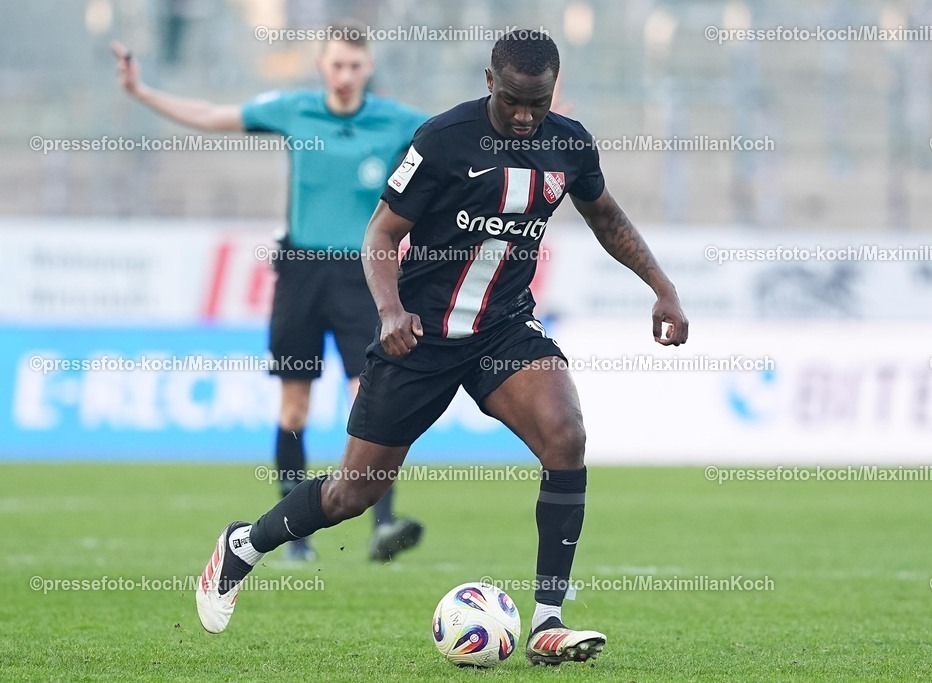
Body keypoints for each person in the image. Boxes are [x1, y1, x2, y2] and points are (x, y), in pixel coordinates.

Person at [196, 29, 688, 666]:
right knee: (353, 494)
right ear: (490, 81)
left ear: (553, 92)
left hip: (503, 330)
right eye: (512, 99)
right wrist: (390, 310)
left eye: (536, 104)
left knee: (565, 436)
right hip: (420, 336)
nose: (522, 115)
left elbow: (606, 217)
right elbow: (379, 235)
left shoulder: (570, 144)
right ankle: (242, 545)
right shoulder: (443, 140)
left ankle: (547, 621)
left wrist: (662, 287)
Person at [111, 20, 426, 563]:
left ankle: (384, 521)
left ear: (368, 67)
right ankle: (294, 534)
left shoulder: (397, 121)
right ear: (322, 66)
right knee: (294, 407)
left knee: (369, 400)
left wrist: (539, 114)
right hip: (301, 274)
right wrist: (141, 91)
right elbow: (213, 116)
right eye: (337, 64)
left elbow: (459, 137)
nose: (346, 74)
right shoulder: (294, 110)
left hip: (363, 277)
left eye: (355, 65)